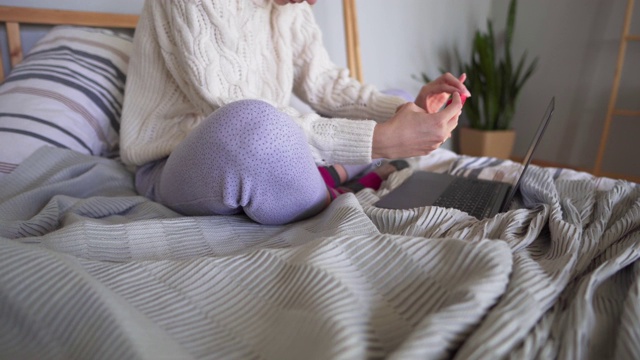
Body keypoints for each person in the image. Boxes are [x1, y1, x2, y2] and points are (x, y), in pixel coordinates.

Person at [120, 0, 471, 225]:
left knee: (397, 94)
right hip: (174, 162)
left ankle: (323, 182)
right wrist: (382, 141)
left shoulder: (292, 5)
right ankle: (332, 184)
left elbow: (325, 84)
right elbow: (236, 113)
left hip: (269, 143)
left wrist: (405, 112)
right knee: (254, 127)